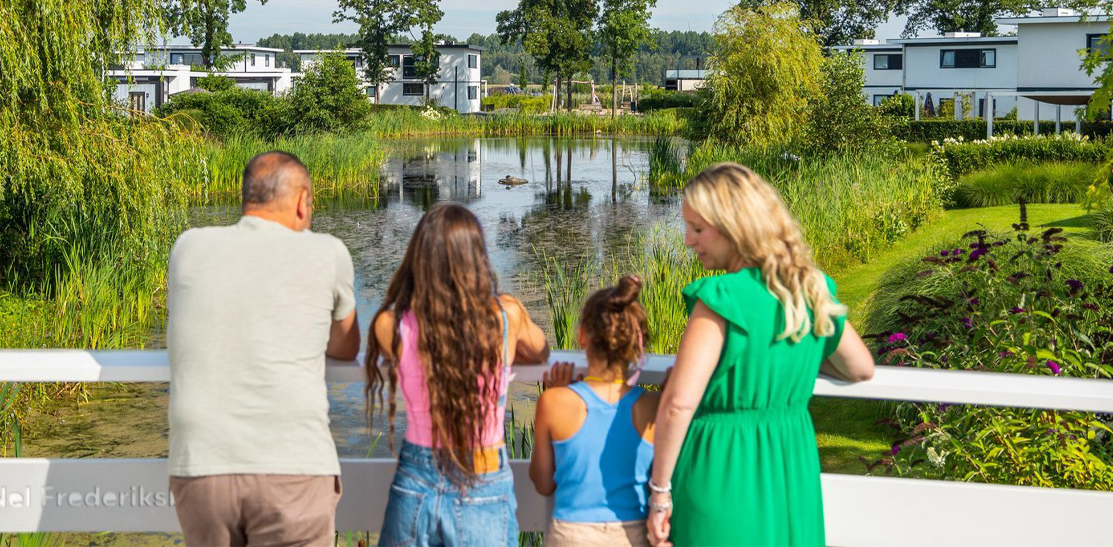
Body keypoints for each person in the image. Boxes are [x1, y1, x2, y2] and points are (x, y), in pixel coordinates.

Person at [647, 162, 875, 547]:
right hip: (791, 469)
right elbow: (860, 367)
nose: (688, 241)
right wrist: (796, 355)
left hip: (722, 470)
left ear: (735, 226)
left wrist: (659, 492)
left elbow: (677, 404)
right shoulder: (809, 290)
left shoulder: (721, 300)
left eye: (698, 229)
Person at [167, 151, 360, 546]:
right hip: (293, 466)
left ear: (246, 198)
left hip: (202, 467)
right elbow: (345, 347)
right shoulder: (328, 252)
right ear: (303, 202)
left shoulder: (188, 247)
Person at [366, 202, 550, 546]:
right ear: (477, 259)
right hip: (482, 476)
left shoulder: (389, 325)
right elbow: (541, 351)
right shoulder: (506, 316)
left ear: (419, 259)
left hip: (416, 479)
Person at [530, 275, 658, 547]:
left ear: (582, 336)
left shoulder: (554, 402)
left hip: (571, 535)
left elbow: (543, 483)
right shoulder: (653, 406)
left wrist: (556, 392)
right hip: (631, 535)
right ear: (636, 343)